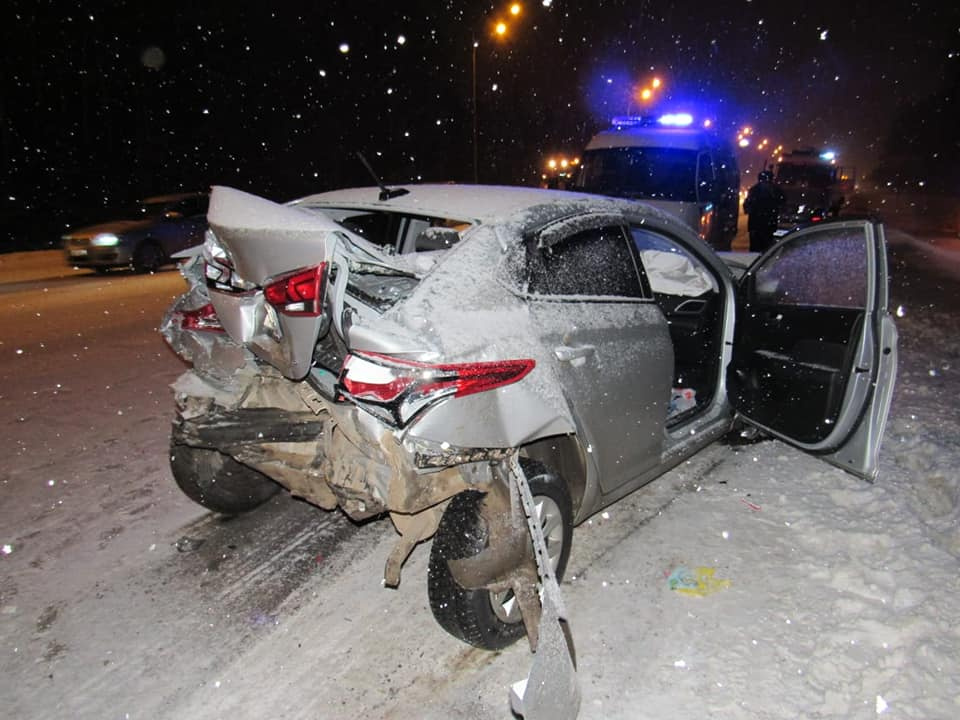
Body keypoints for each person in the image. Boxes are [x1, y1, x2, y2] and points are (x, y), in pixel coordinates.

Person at [743, 170, 786, 253]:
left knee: (766, 246)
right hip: (758, 223)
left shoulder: (774, 190)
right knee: (757, 247)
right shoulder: (755, 190)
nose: (765, 184)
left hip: (766, 223)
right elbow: (748, 204)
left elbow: (782, 201)